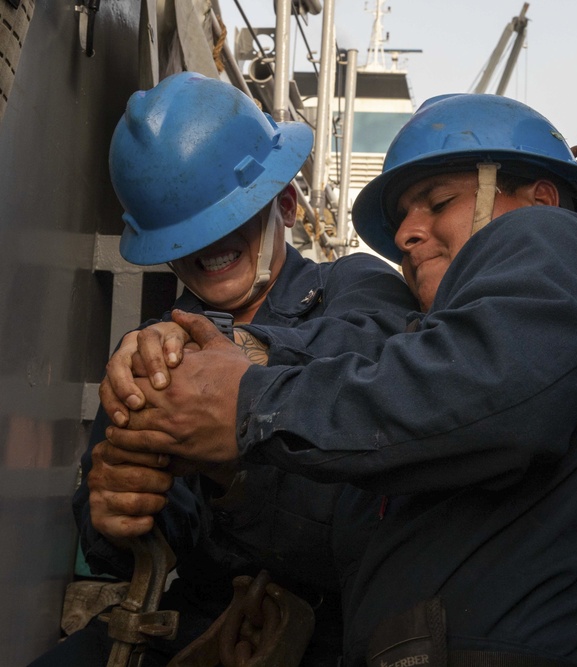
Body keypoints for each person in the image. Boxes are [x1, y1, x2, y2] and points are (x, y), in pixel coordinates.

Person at [103, 93, 577, 666]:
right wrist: (208, 480)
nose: (406, 232)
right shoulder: (423, 401)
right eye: (404, 214)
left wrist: (248, 395)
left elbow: (466, 391)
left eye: (437, 202)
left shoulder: (549, 235)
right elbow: (333, 536)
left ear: (542, 198)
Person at [28, 71, 418, 666]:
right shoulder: (149, 351)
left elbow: (366, 362)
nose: (208, 246)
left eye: (227, 217)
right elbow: (131, 542)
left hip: (338, 630)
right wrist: (119, 513)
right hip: (201, 620)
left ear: (285, 205)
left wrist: (230, 353)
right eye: (187, 232)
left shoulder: (354, 287)